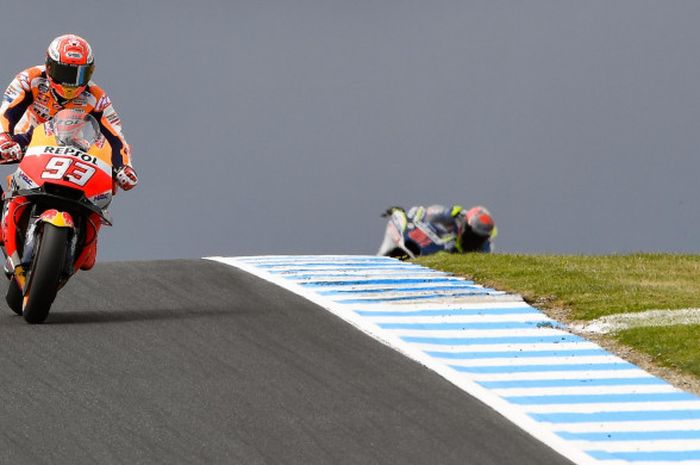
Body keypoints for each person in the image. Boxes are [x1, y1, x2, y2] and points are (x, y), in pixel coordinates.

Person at [0, 34, 137, 269]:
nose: (71, 82)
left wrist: (124, 166)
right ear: (50, 66)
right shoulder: (29, 79)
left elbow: (116, 136)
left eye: (79, 74)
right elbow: (5, 113)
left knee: (109, 184)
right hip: (30, 140)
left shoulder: (97, 97)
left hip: (77, 147)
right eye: (65, 73)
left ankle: (88, 235)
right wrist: (4, 139)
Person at [382, 204, 496, 254]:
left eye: (480, 237)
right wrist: (448, 214)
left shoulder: (486, 246)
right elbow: (429, 214)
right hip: (424, 242)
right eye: (472, 233)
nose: (474, 239)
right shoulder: (456, 217)